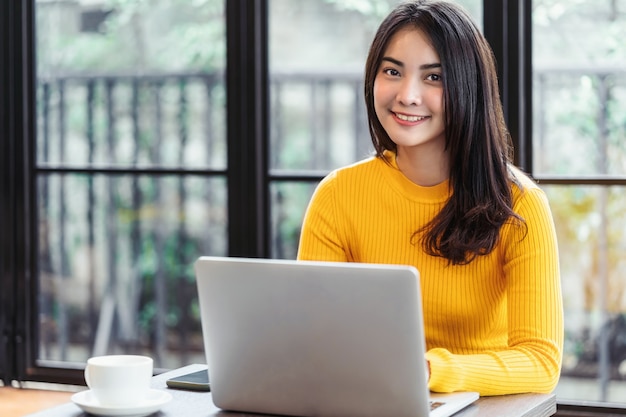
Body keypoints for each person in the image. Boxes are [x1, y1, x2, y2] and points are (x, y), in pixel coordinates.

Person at [297, 0, 563, 396]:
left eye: (434, 77)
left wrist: (426, 370)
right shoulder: (337, 194)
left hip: (480, 408)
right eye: (392, 71)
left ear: (468, 87)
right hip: (369, 400)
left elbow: (540, 361)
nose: (407, 95)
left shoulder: (520, 205)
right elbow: (312, 337)